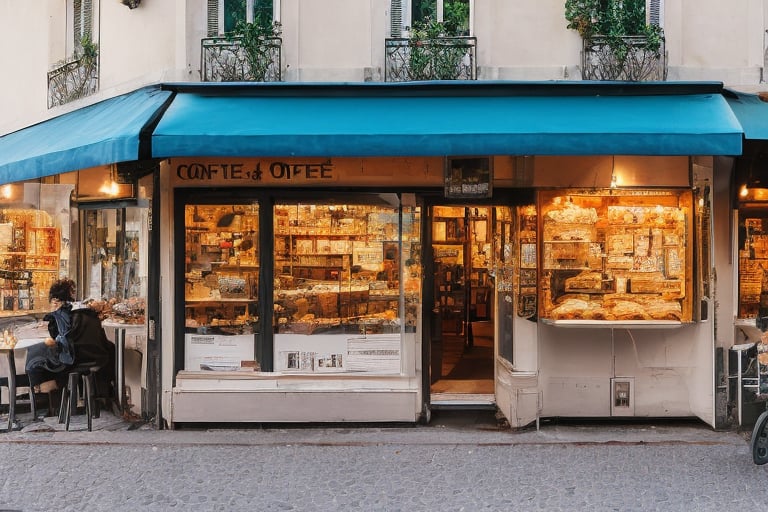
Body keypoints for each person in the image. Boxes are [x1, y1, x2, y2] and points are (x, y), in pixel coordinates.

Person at [25, 279, 113, 399]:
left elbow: (55, 340)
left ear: (55, 301)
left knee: (35, 354)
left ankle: (45, 390)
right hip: (96, 358)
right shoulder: (89, 314)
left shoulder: (57, 317)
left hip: (73, 360)